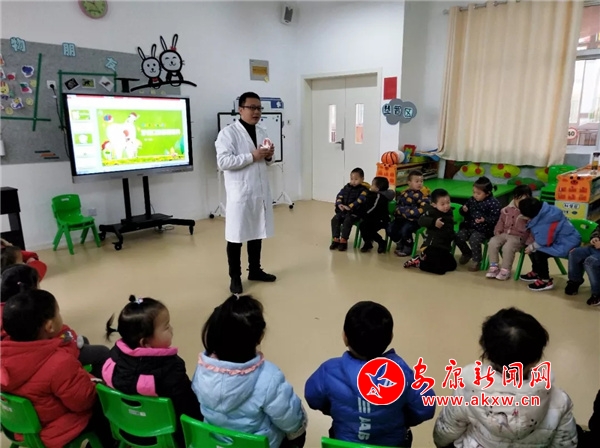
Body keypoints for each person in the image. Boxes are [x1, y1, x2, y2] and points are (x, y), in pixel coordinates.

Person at [433, 307, 578, 448]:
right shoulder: (559, 400)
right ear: (535, 359)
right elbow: (565, 443)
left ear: (487, 352)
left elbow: (445, 432)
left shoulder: (467, 391)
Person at [305, 301, 435, 447]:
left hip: (344, 442)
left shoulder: (328, 371)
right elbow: (426, 407)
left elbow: (312, 398)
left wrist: (337, 410)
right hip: (393, 444)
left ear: (345, 337)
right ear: (390, 337)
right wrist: (404, 420)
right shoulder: (403, 374)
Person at [0, 290, 113, 448]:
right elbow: (83, 402)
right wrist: (94, 383)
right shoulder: (59, 363)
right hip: (53, 428)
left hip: (19, 426)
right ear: (50, 326)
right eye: (58, 313)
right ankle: (109, 443)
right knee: (103, 402)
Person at [192, 295, 307, 448]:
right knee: (297, 433)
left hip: (214, 444)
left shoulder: (203, 368)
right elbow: (289, 420)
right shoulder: (269, 376)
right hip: (256, 445)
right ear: (260, 337)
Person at [103, 295, 202, 446]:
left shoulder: (113, 359)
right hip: (164, 437)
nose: (171, 329)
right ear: (145, 343)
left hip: (127, 430)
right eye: (166, 327)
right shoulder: (171, 369)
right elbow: (189, 408)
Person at [216, 92, 277, 295]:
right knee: (236, 236)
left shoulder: (262, 130)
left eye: (259, 108)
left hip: (259, 191)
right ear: (241, 109)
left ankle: (255, 270)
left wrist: (268, 156)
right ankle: (235, 277)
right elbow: (223, 162)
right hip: (240, 193)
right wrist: (253, 156)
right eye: (252, 107)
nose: (256, 112)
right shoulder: (228, 134)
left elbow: (267, 161)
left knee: (257, 231)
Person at [0, 264, 109, 377]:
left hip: (36, 353)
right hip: (54, 355)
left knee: (83, 340)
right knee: (102, 352)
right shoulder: (34, 312)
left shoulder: (10, 314)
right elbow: (56, 349)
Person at [518, 198, 581, 291]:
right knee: (533, 249)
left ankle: (545, 280)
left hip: (567, 244)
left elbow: (544, 241)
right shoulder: (546, 211)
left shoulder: (546, 221)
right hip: (559, 240)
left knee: (538, 252)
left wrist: (532, 247)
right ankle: (536, 272)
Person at [404, 189, 457, 275]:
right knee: (440, 270)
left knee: (452, 266)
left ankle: (425, 260)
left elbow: (449, 229)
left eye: (448, 203)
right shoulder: (431, 212)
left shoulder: (449, 213)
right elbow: (421, 220)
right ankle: (419, 262)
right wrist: (433, 222)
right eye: (442, 204)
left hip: (444, 247)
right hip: (431, 246)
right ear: (434, 205)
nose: (446, 206)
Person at [485, 185, 534, 280]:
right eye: (519, 200)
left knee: (508, 247)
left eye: (525, 200)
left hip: (519, 237)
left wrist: (529, 242)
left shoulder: (529, 211)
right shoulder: (507, 209)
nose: (522, 203)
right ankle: (494, 267)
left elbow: (532, 228)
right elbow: (501, 221)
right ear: (514, 198)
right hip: (504, 234)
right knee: (492, 242)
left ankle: (505, 270)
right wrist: (497, 230)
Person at [454, 176, 501, 271]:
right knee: (457, 236)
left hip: (484, 229)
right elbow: (464, 212)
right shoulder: (472, 200)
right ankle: (467, 253)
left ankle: (477, 260)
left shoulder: (494, 203)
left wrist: (485, 220)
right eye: (474, 192)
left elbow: (496, 219)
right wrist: (463, 210)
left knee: (474, 239)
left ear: (487, 193)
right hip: (469, 226)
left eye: (478, 193)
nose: (475, 195)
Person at [388, 170, 430, 256]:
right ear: (409, 182)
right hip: (401, 218)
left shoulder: (423, 195)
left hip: (415, 220)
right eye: (417, 181)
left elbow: (423, 208)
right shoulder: (404, 193)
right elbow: (398, 205)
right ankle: (399, 242)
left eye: (421, 181)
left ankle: (408, 246)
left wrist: (408, 212)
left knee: (405, 229)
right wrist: (399, 211)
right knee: (390, 228)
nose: (420, 183)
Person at [330, 168, 370, 252]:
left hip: (355, 213)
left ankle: (344, 240)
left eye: (356, 179)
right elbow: (339, 195)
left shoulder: (364, 190)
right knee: (335, 219)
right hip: (344, 211)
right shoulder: (346, 187)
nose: (353, 181)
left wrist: (349, 207)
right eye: (352, 179)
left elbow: (359, 200)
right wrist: (339, 204)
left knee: (347, 221)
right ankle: (336, 238)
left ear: (362, 179)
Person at [565, 224, 600, 306]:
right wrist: (595, 238)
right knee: (574, 253)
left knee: (590, 262)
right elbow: (597, 230)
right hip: (595, 248)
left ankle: (597, 293)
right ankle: (574, 281)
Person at [359, 176, 395, 253]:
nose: (371, 186)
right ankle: (368, 243)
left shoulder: (379, 197)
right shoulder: (373, 194)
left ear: (377, 189)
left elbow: (373, 208)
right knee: (363, 225)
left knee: (368, 227)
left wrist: (364, 214)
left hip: (381, 219)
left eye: (372, 185)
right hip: (373, 218)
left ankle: (381, 242)